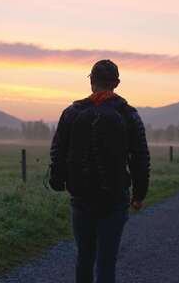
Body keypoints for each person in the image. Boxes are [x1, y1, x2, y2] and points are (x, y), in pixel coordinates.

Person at [49, 59, 151, 283]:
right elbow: (140, 158)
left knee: (84, 257)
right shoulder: (128, 114)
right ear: (117, 83)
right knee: (106, 261)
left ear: (91, 82)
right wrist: (139, 194)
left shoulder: (72, 112)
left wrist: (58, 181)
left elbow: (58, 150)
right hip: (115, 198)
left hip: (81, 197)